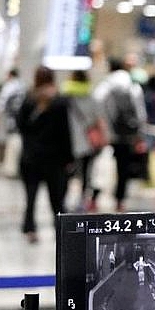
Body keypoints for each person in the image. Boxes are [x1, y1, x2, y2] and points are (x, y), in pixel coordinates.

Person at [16, 66, 73, 243]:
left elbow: (21, 126)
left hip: (31, 158)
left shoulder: (29, 99)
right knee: (57, 199)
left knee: (31, 197)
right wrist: (69, 158)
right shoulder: (59, 101)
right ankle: (60, 230)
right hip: (54, 159)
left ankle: (30, 229)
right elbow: (65, 133)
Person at [93, 56, 147, 212]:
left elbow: (97, 103)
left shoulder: (106, 85)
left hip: (109, 134)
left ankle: (94, 198)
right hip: (128, 134)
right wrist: (139, 133)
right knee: (123, 168)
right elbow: (141, 113)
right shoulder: (132, 86)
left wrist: (104, 128)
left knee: (102, 166)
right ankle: (119, 200)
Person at [62, 70, 108, 212]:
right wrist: (103, 138)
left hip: (68, 142)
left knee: (67, 173)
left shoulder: (65, 97)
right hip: (88, 142)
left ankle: (64, 200)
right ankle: (82, 202)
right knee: (86, 174)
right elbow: (99, 119)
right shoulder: (92, 97)